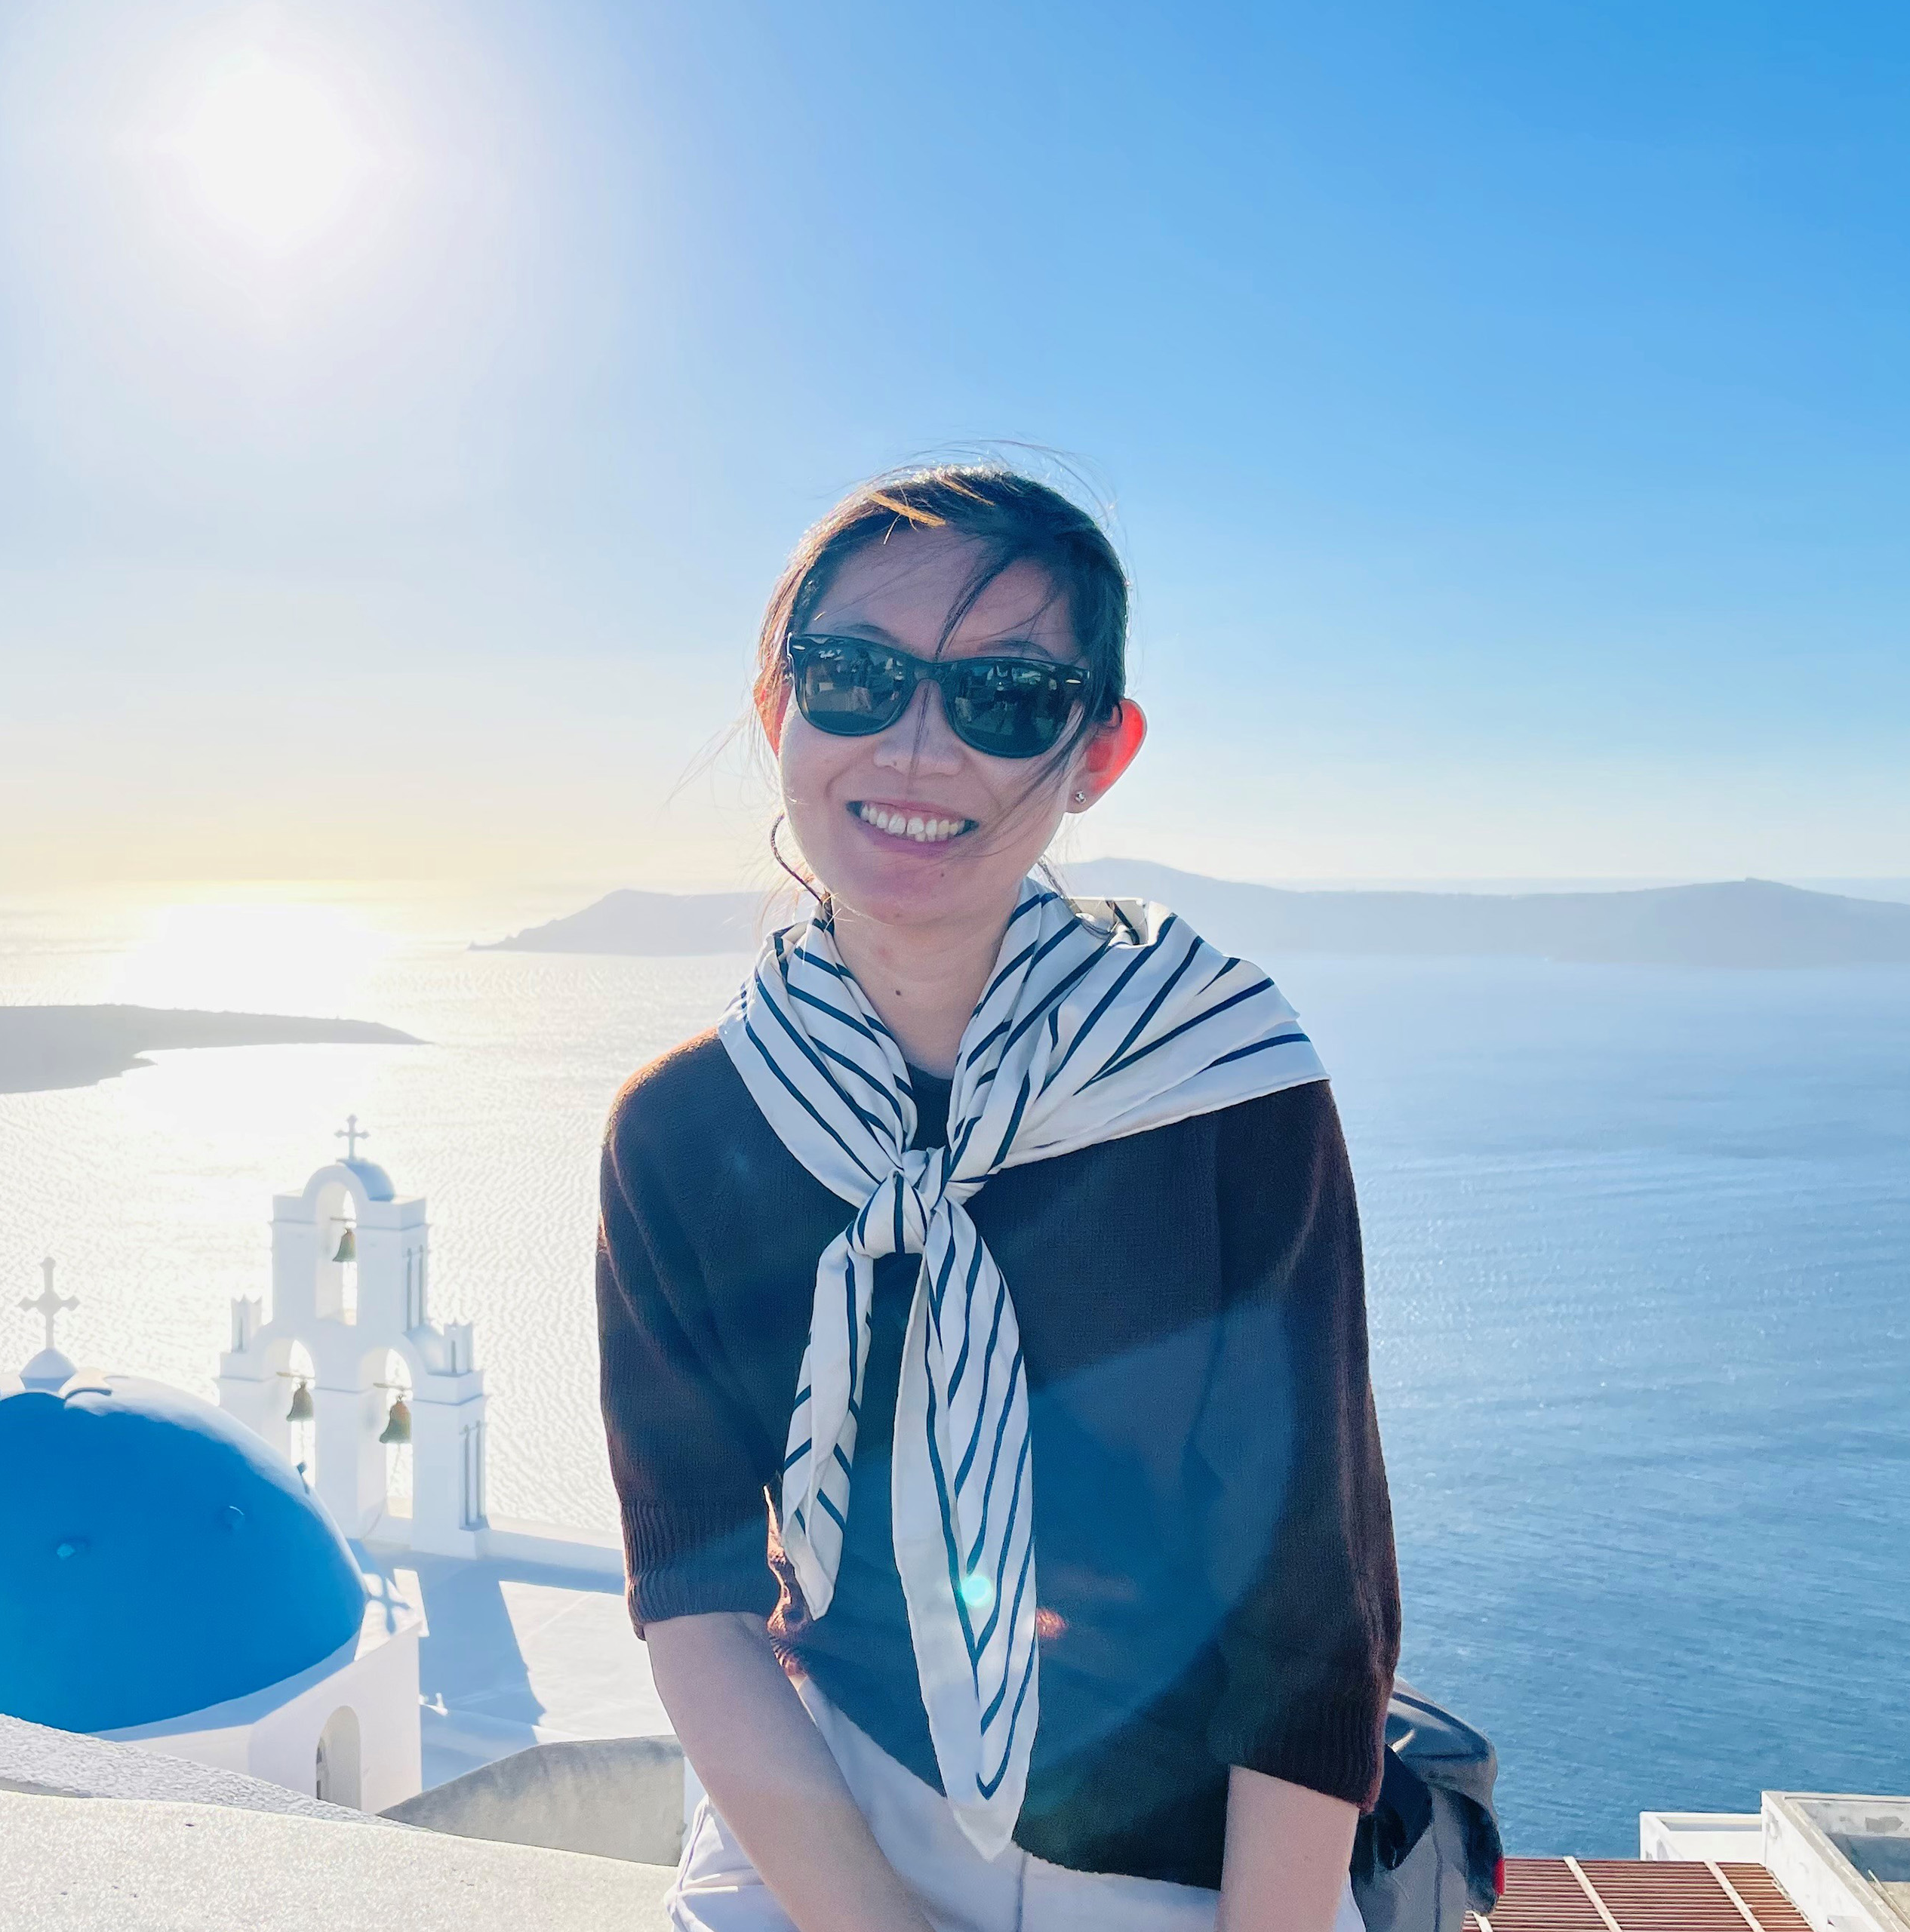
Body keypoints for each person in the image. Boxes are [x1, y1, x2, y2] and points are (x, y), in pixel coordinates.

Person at [595, 465, 1400, 1932]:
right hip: (826, 1825)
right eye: (852, 676)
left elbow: (1313, 1614)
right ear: (779, 707)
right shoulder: (685, 1133)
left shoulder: (1223, 1089)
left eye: (1008, 696)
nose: (914, 748)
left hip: (1194, 1858)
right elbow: (697, 1591)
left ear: (1100, 749)